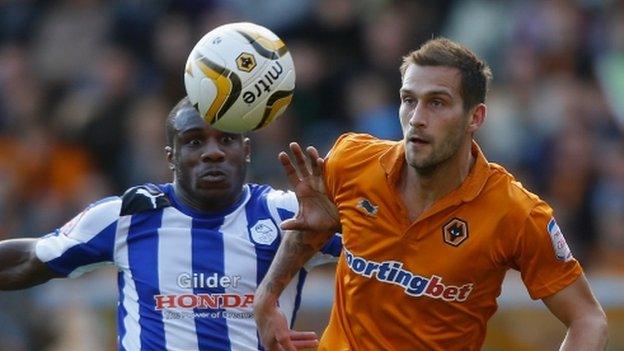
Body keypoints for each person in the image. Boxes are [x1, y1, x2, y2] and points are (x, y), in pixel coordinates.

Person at [253, 38, 608, 350]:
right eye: (409, 100)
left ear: (475, 117)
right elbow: (312, 227)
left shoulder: (515, 212)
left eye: (437, 103)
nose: (417, 118)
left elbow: (588, 318)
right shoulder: (350, 161)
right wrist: (268, 296)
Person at [0, 96, 341, 351]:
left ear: (246, 150)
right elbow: (30, 257)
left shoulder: (285, 214)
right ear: (170, 157)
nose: (213, 152)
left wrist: (341, 222)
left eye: (226, 139)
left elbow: (381, 247)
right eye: (194, 141)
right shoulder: (129, 216)